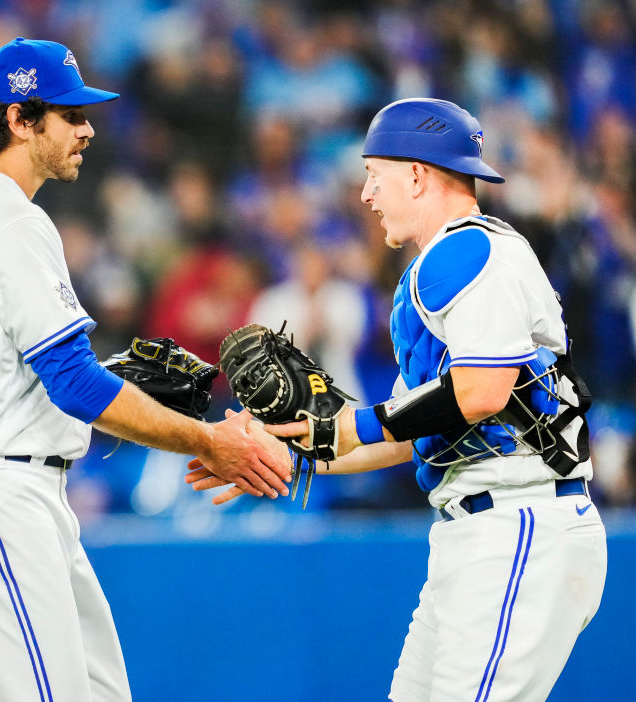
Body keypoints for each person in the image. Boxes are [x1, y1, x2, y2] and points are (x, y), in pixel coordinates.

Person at [0, 38, 290, 702]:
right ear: (20, 121)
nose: (86, 129)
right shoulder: (11, 222)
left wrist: (62, 375)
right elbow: (76, 383)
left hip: (7, 484)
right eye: (68, 114)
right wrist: (207, 440)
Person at [192, 98, 607, 701]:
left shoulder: (466, 251)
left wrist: (350, 426)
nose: (365, 195)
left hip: (517, 525)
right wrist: (284, 455)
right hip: (478, 529)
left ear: (416, 173)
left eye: (374, 175)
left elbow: (482, 392)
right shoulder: (444, 263)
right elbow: (407, 430)